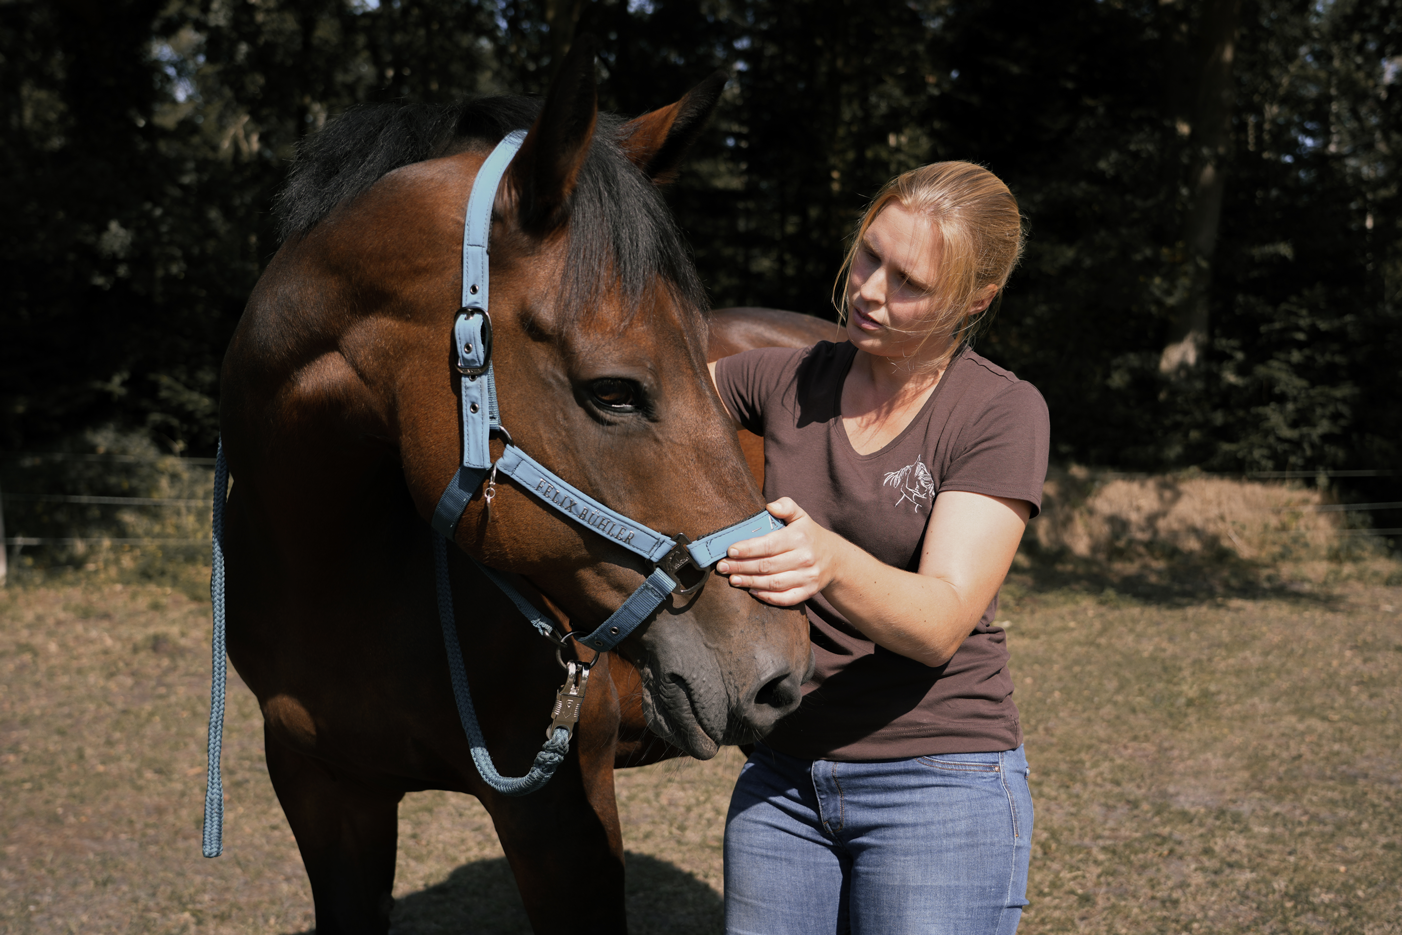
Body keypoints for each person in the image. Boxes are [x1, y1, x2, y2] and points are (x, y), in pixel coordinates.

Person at [708, 161, 1049, 935]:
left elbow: (939, 621)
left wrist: (827, 559)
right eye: (869, 255)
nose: (867, 289)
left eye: (908, 282)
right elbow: (643, 415)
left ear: (975, 300)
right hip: (782, 779)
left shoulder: (999, 411)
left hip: (939, 783)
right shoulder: (782, 378)